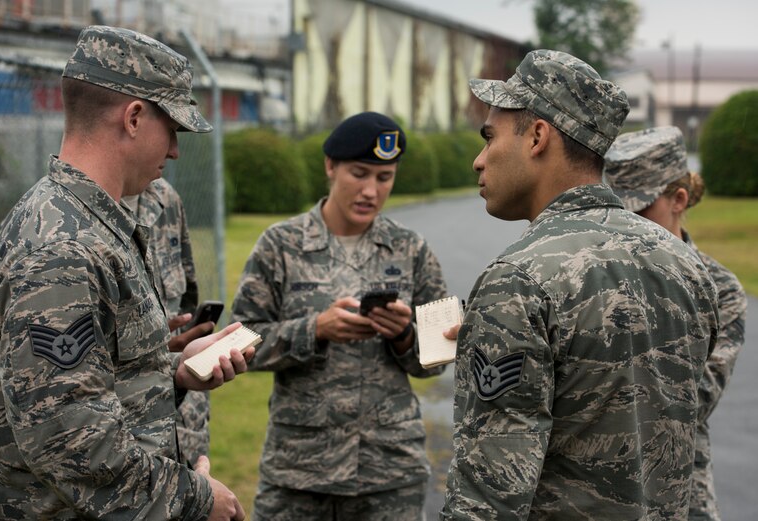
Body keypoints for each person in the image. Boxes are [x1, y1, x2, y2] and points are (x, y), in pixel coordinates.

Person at [0, 25, 253, 520]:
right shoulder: (63, 247)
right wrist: (197, 498)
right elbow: (70, 440)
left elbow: (87, 385)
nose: (174, 150)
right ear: (133, 118)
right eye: (172, 129)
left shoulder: (88, 223)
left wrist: (174, 374)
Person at [440, 50, 719, 520]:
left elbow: (488, 495)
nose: (479, 160)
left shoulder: (519, 280)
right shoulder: (685, 265)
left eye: (490, 138)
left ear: (537, 136)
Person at [230, 111, 449, 520]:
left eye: (384, 178)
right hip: (298, 474)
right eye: (359, 173)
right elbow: (241, 340)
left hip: (389, 474)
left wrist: (404, 335)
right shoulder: (280, 245)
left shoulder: (412, 249)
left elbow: (439, 356)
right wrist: (314, 330)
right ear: (330, 166)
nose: (370, 190)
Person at [603, 126, 747, 521]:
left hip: (676, 493)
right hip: (587, 494)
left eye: (639, 210)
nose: (626, 225)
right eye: (617, 212)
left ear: (678, 199)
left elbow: (689, 402)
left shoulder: (719, 290)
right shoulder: (596, 277)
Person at [123, 178, 214, 468]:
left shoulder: (164, 198)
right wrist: (160, 353)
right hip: (123, 448)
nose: (175, 150)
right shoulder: (69, 218)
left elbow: (186, 302)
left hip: (182, 434)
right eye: (169, 130)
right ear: (131, 128)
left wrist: (185, 350)